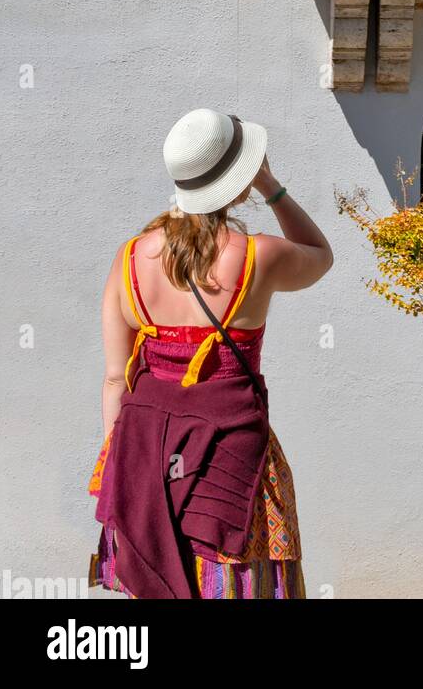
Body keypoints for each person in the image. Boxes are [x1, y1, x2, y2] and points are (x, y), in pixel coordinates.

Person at [88, 108, 332, 599]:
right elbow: (320, 256)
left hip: (146, 452)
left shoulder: (130, 257)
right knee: (230, 572)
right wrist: (271, 186)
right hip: (230, 452)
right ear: (236, 183)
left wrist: (126, 470)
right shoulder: (260, 255)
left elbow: (116, 378)